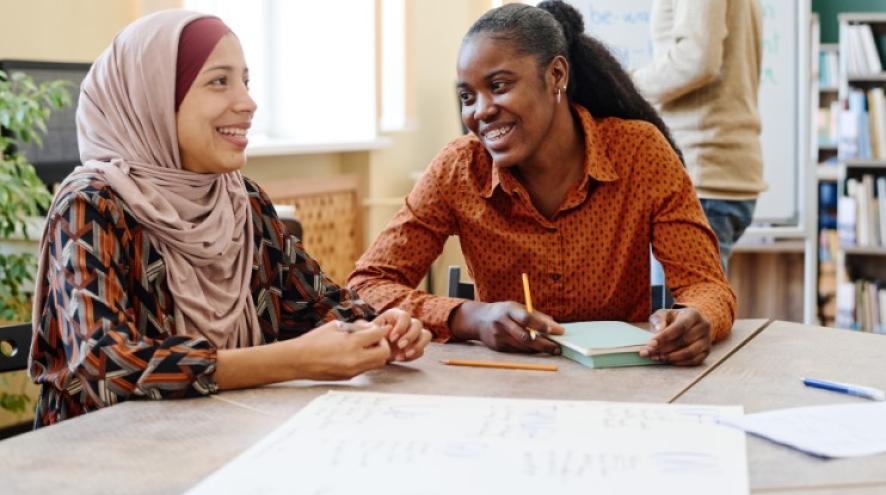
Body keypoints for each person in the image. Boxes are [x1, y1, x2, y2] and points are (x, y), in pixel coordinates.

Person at [28, 10, 431, 427]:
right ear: (154, 97)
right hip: (100, 461)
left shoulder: (243, 199)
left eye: (246, 81)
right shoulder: (92, 204)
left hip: (227, 438)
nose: (248, 102)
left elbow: (319, 307)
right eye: (219, 81)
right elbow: (106, 364)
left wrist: (381, 329)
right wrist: (288, 362)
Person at [348, 1, 735, 366]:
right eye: (467, 96)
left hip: (620, 382)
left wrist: (698, 317)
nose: (480, 111)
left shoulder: (639, 152)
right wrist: (469, 316)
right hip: (507, 387)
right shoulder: (459, 168)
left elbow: (707, 286)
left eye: (499, 86)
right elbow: (367, 285)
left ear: (556, 75)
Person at [632, 0, 766, 270]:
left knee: (688, 309)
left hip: (703, 171)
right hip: (716, 171)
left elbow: (696, 61)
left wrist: (625, 85)